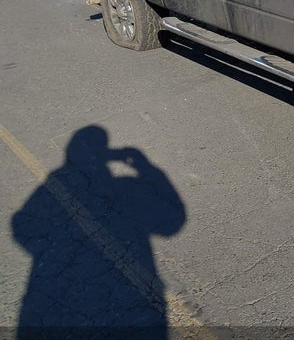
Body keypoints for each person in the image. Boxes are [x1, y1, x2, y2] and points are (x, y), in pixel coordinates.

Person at [12, 126, 186, 340]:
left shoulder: (58, 178)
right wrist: (144, 166)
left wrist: (47, 249)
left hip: (55, 296)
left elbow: (21, 225)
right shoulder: (125, 185)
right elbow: (171, 223)